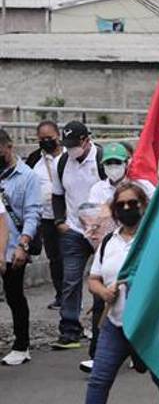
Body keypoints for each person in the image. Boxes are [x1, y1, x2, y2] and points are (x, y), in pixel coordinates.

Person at [60, 182, 159, 404]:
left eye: (133, 203)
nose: (128, 209)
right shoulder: (108, 242)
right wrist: (103, 291)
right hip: (116, 324)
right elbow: (93, 278)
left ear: (144, 206)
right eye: (121, 205)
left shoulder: (156, 241)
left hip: (150, 325)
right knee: (99, 378)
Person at [50, 121, 103, 351]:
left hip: (102, 232)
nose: (71, 150)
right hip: (74, 231)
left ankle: (101, 331)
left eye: (74, 145)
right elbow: (57, 195)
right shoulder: (62, 162)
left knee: (102, 280)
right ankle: (70, 330)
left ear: (85, 140)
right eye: (67, 145)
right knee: (70, 280)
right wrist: (60, 222)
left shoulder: (101, 160)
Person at [0, 129, 41, 367]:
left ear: (9, 147)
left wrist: (23, 244)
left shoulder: (27, 177)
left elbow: (32, 212)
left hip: (14, 246)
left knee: (14, 296)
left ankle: (21, 345)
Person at [28, 120, 65, 311]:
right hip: (46, 219)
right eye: (42, 139)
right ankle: (60, 294)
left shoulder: (68, 157)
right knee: (54, 259)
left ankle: (71, 296)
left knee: (70, 259)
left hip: (68, 218)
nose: (46, 142)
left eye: (49, 138)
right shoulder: (35, 160)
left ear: (58, 136)